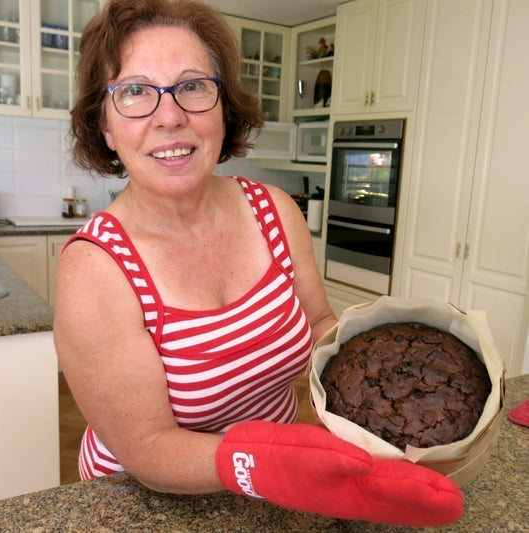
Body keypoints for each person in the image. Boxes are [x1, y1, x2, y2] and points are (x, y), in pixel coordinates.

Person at [54, 0, 463, 527]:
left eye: (192, 86)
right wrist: (267, 462)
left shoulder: (274, 211)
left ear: (223, 106)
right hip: (144, 504)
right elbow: (147, 446)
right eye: (134, 91)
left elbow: (320, 327)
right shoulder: (94, 270)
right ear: (105, 126)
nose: (170, 115)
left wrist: (395, 375)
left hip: (272, 495)